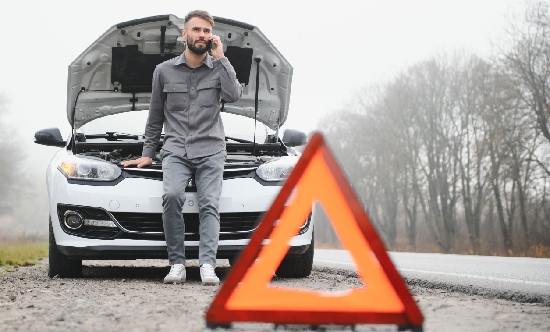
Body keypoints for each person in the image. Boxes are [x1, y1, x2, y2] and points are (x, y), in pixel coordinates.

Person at [121, 10, 242, 285]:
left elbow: (234, 95)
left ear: (211, 37)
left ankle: (207, 265)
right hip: (176, 150)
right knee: (173, 196)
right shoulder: (163, 71)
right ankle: (177, 263)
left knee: (209, 203)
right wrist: (147, 153)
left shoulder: (218, 67)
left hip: (211, 149)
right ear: (184, 35)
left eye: (206, 31)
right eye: (196, 30)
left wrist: (222, 57)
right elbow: (155, 116)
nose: (201, 35)